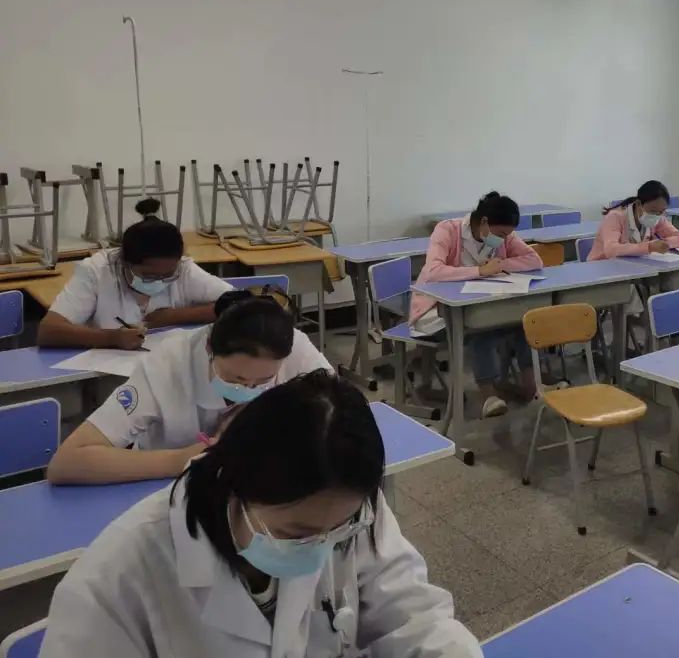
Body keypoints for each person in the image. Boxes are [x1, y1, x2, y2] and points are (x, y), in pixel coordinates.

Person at [40, 370, 482, 658]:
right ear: (234, 485)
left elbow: (413, 615)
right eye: (297, 532)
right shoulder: (116, 579)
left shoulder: (347, 509)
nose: (323, 547)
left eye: (339, 532)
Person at [46, 290, 332, 485]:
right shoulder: (168, 365)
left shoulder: (295, 348)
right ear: (209, 348)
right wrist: (186, 459)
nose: (248, 389)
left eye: (263, 381)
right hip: (167, 491)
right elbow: (66, 463)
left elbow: (341, 421)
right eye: (235, 379)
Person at [410, 191, 543, 419]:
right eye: (501, 234)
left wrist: (501, 264)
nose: (503, 240)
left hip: (478, 305)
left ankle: (532, 387)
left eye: (507, 235)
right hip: (435, 311)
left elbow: (534, 260)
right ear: (484, 222)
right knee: (481, 327)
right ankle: (489, 396)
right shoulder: (447, 230)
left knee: (523, 321)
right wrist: (480, 271)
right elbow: (432, 272)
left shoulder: (502, 234)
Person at [38, 198, 231, 350]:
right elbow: (48, 331)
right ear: (123, 261)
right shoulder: (97, 270)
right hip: (109, 374)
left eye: (168, 275)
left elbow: (239, 303)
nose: (160, 281)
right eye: (149, 276)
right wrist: (111, 338)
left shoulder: (184, 269)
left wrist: (174, 316)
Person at [588, 180, 679, 260]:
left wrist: (664, 244)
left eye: (661, 211)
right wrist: (649, 247)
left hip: (632, 266)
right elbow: (611, 250)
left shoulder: (658, 216)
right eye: (652, 211)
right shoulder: (615, 217)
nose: (657, 215)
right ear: (639, 204)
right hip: (603, 267)